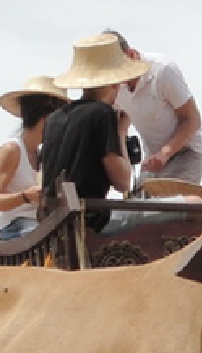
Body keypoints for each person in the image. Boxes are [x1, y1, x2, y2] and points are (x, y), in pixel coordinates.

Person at [41, 33, 147, 232]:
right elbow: (123, 182)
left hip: (55, 224)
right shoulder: (102, 113)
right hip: (90, 220)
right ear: (115, 81)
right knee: (191, 204)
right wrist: (121, 133)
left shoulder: (54, 118)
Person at [106, 30, 202, 185]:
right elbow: (119, 118)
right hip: (152, 156)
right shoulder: (111, 82)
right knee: (140, 207)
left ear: (131, 55)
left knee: (170, 206)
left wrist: (165, 153)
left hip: (186, 150)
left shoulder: (163, 70)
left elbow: (192, 120)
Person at [0, 76, 69, 241]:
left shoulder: (42, 154)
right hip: (14, 226)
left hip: (38, 224)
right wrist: (25, 196)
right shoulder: (12, 150)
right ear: (47, 119)